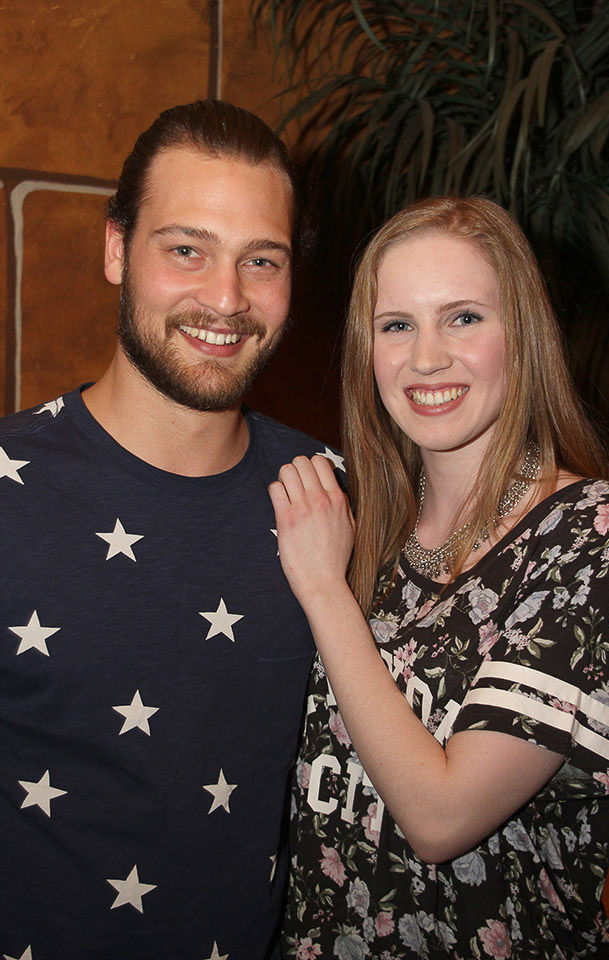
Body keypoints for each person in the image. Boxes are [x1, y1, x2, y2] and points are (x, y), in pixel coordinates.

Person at [0, 99, 342, 960]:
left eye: (260, 260)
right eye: (187, 249)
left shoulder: (337, 495)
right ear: (117, 249)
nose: (226, 299)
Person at [268, 196, 609, 959]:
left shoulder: (589, 534)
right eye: (396, 325)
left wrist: (324, 590)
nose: (426, 357)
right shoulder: (362, 527)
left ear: (522, 336)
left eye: (463, 317)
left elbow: (441, 818)